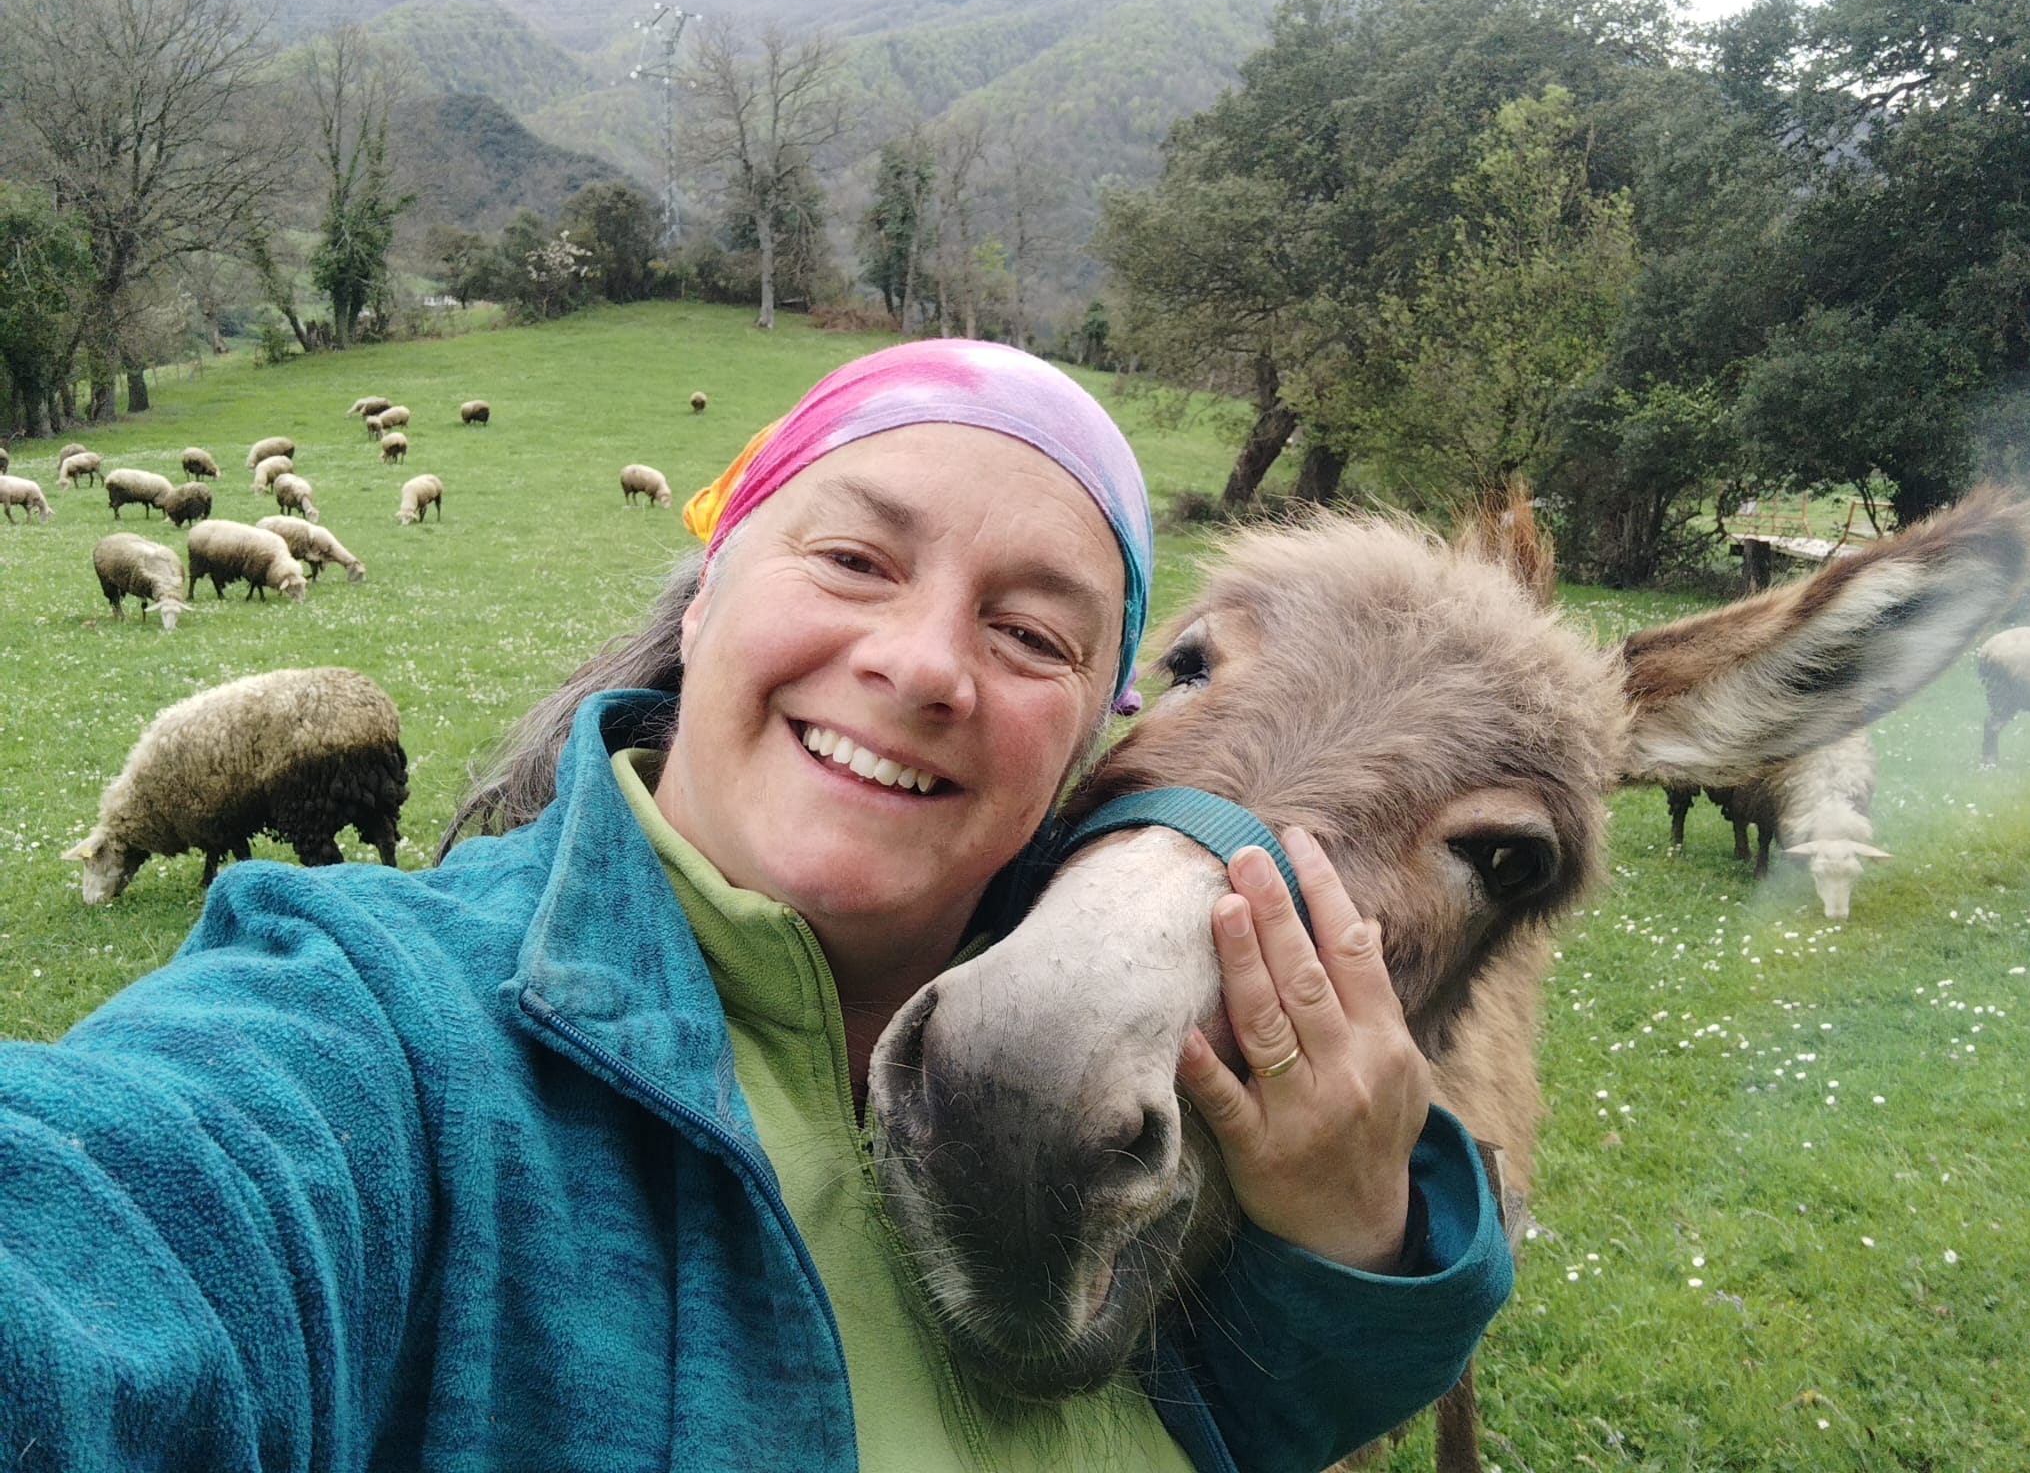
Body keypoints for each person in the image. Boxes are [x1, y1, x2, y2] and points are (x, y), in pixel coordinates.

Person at [0, 340, 1511, 1472]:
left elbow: (1217, 1420)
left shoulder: (1097, 1098)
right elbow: (115, 1248)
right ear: (708, 592)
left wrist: (1348, 1249)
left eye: (1031, 631)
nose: (923, 665)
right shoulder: (383, 1044)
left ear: (1094, 739)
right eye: (853, 558)